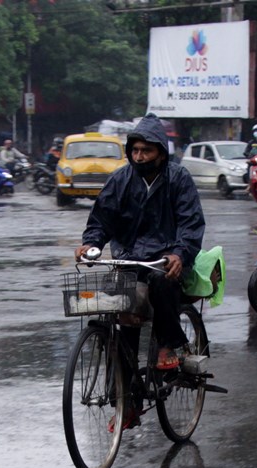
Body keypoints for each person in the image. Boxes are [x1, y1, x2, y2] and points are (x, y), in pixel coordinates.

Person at [74, 113, 205, 428]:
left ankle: (169, 344)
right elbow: (102, 218)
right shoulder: (120, 179)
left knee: (162, 285)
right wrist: (89, 243)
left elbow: (190, 223)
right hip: (129, 259)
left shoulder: (178, 179)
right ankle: (127, 402)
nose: (139, 156)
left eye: (146, 151)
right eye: (135, 151)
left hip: (164, 261)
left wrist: (179, 253)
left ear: (160, 151)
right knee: (121, 319)